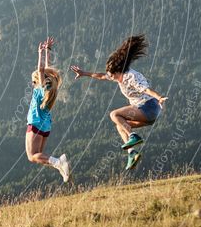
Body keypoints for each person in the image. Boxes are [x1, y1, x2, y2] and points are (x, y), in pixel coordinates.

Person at [69, 34, 168, 170]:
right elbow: (102, 76)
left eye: (113, 75)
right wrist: (84, 73)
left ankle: (133, 136)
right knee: (120, 126)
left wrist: (159, 97)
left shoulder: (131, 77)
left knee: (114, 115)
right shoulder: (116, 75)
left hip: (149, 107)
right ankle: (132, 153)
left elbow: (147, 90)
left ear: (119, 71)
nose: (112, 77)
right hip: (146, 114)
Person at [26, 36, 70, 182]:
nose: (33, 84)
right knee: (40, 154)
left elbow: (42, 69)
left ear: (38, 81)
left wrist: (40, 53)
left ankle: (59, 162)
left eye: (34, 81)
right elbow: (46, 70)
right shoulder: (51, 89)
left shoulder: (40, 90)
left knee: (32, 156)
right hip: (46, 126)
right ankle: (59, 165)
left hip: (35, 124)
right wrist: (48, 50)